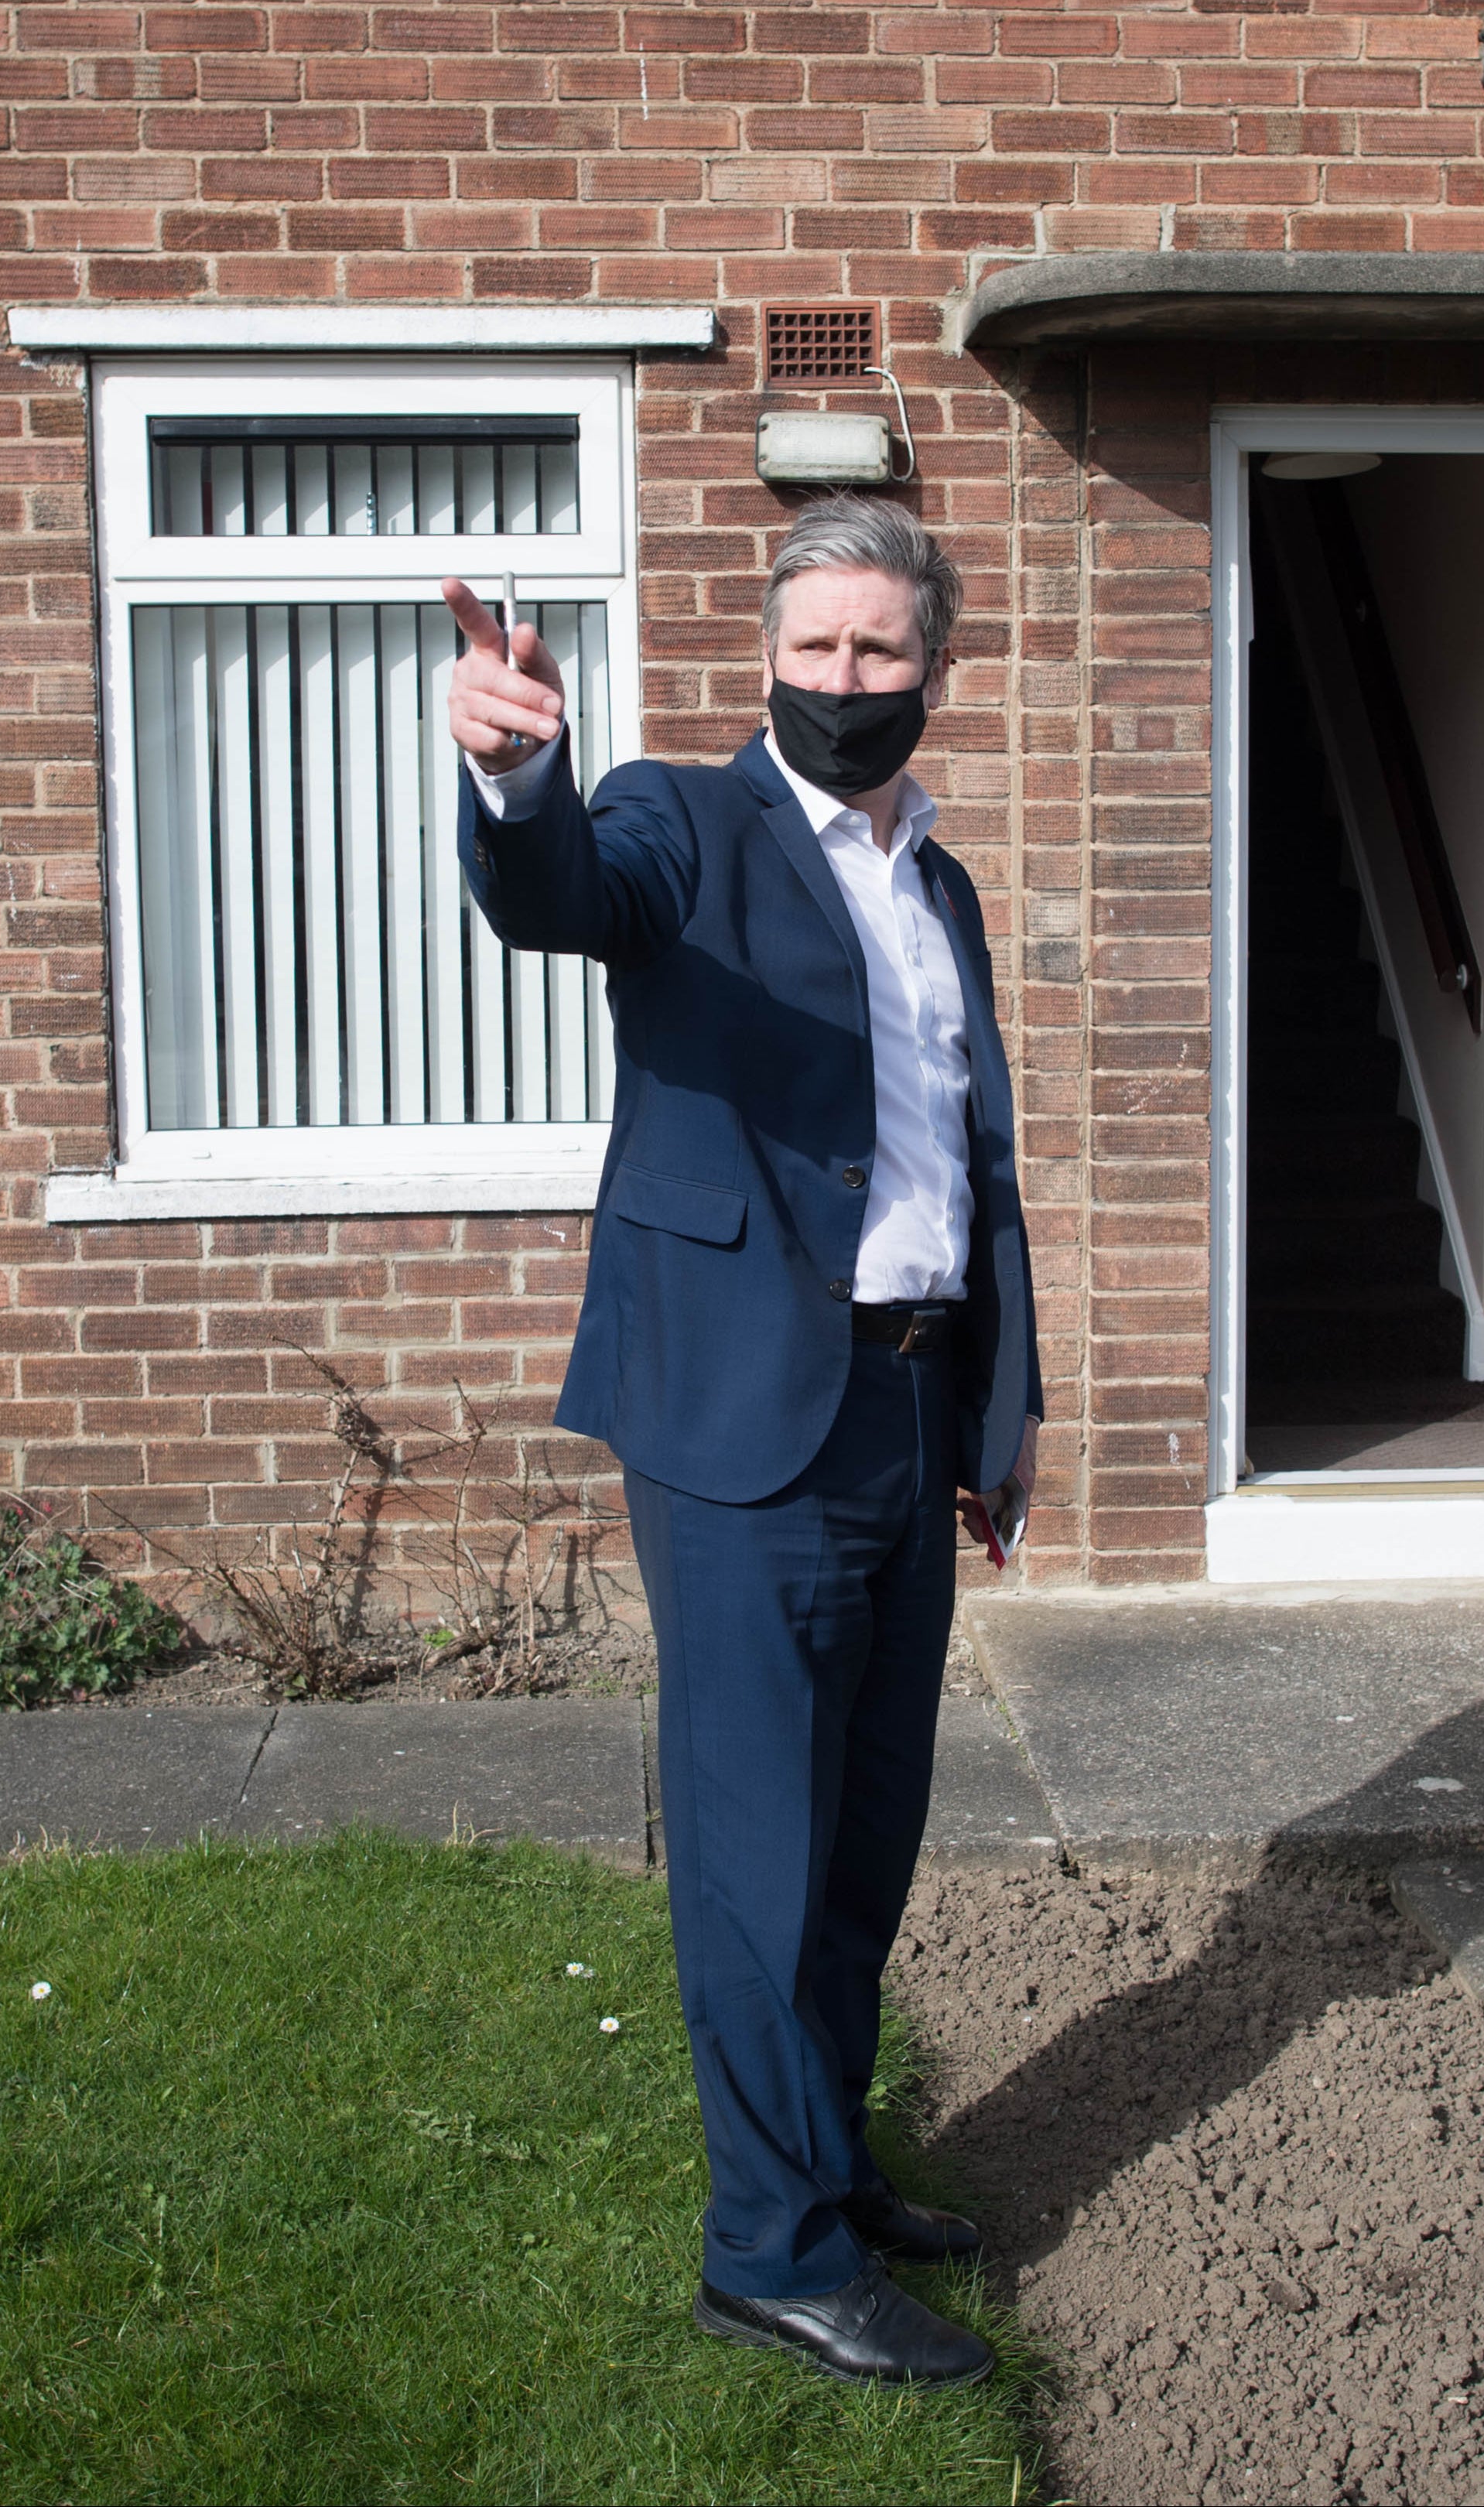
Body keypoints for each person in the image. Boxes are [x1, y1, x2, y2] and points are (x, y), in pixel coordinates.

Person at [442, 495, 1042, 2386]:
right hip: (738, 1420)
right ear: (762, 658)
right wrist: (518, 781)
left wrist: (997, 1402)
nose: (844, 681)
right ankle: (762, 2249)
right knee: (756, 1851)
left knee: (864, 1830)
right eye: (815, 648)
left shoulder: (938, 887)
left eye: (879, 651)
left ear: (931, 666)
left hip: (907, 1396)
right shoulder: (679, 827)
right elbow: (558, 899)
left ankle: (827, 2162)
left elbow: (973, 1166)